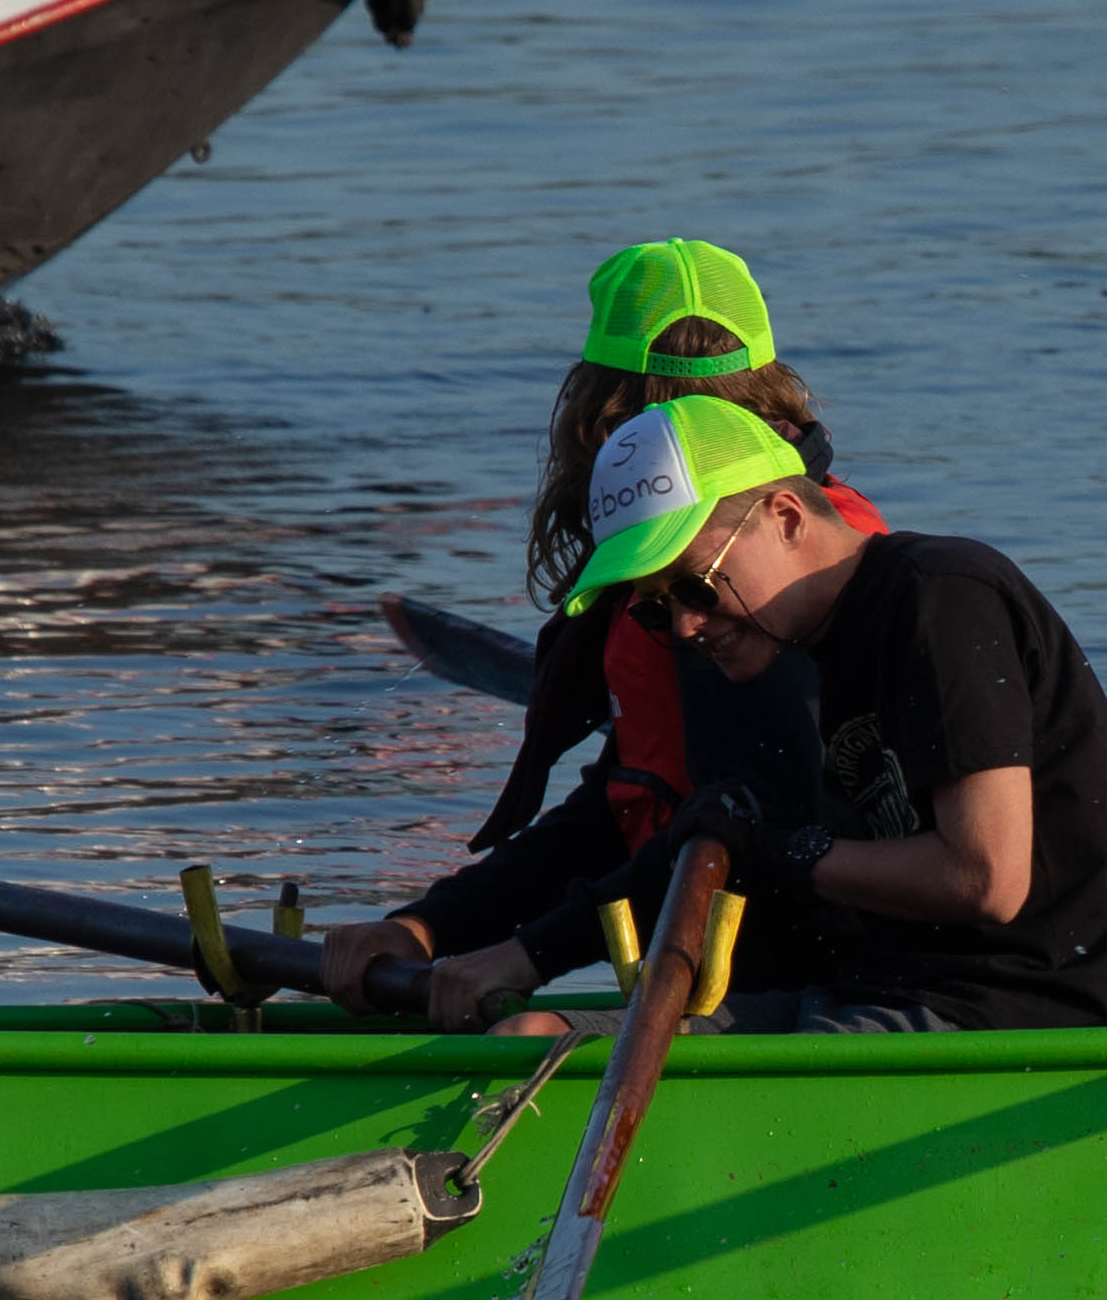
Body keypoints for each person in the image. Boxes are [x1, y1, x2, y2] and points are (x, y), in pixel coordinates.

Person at [450, 399, 1107, 1033]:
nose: (686, 627)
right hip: (870, 988)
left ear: (786, 518)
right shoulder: (804, 644)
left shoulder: (942, 598)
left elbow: (985, 878)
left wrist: (785, 855)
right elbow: (716, 838)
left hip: (1013, 1012)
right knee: (532, 1037)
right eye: (656, 609)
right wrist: (519, 955)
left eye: (695, 585)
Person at [348, 237, 892, 1013]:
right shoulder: (752, 549)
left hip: (814, 999)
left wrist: (526, 958)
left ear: (600, 424)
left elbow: (748, 838)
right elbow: (630, 803)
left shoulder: (739, 594)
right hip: (728, 971)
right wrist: (430, 926)